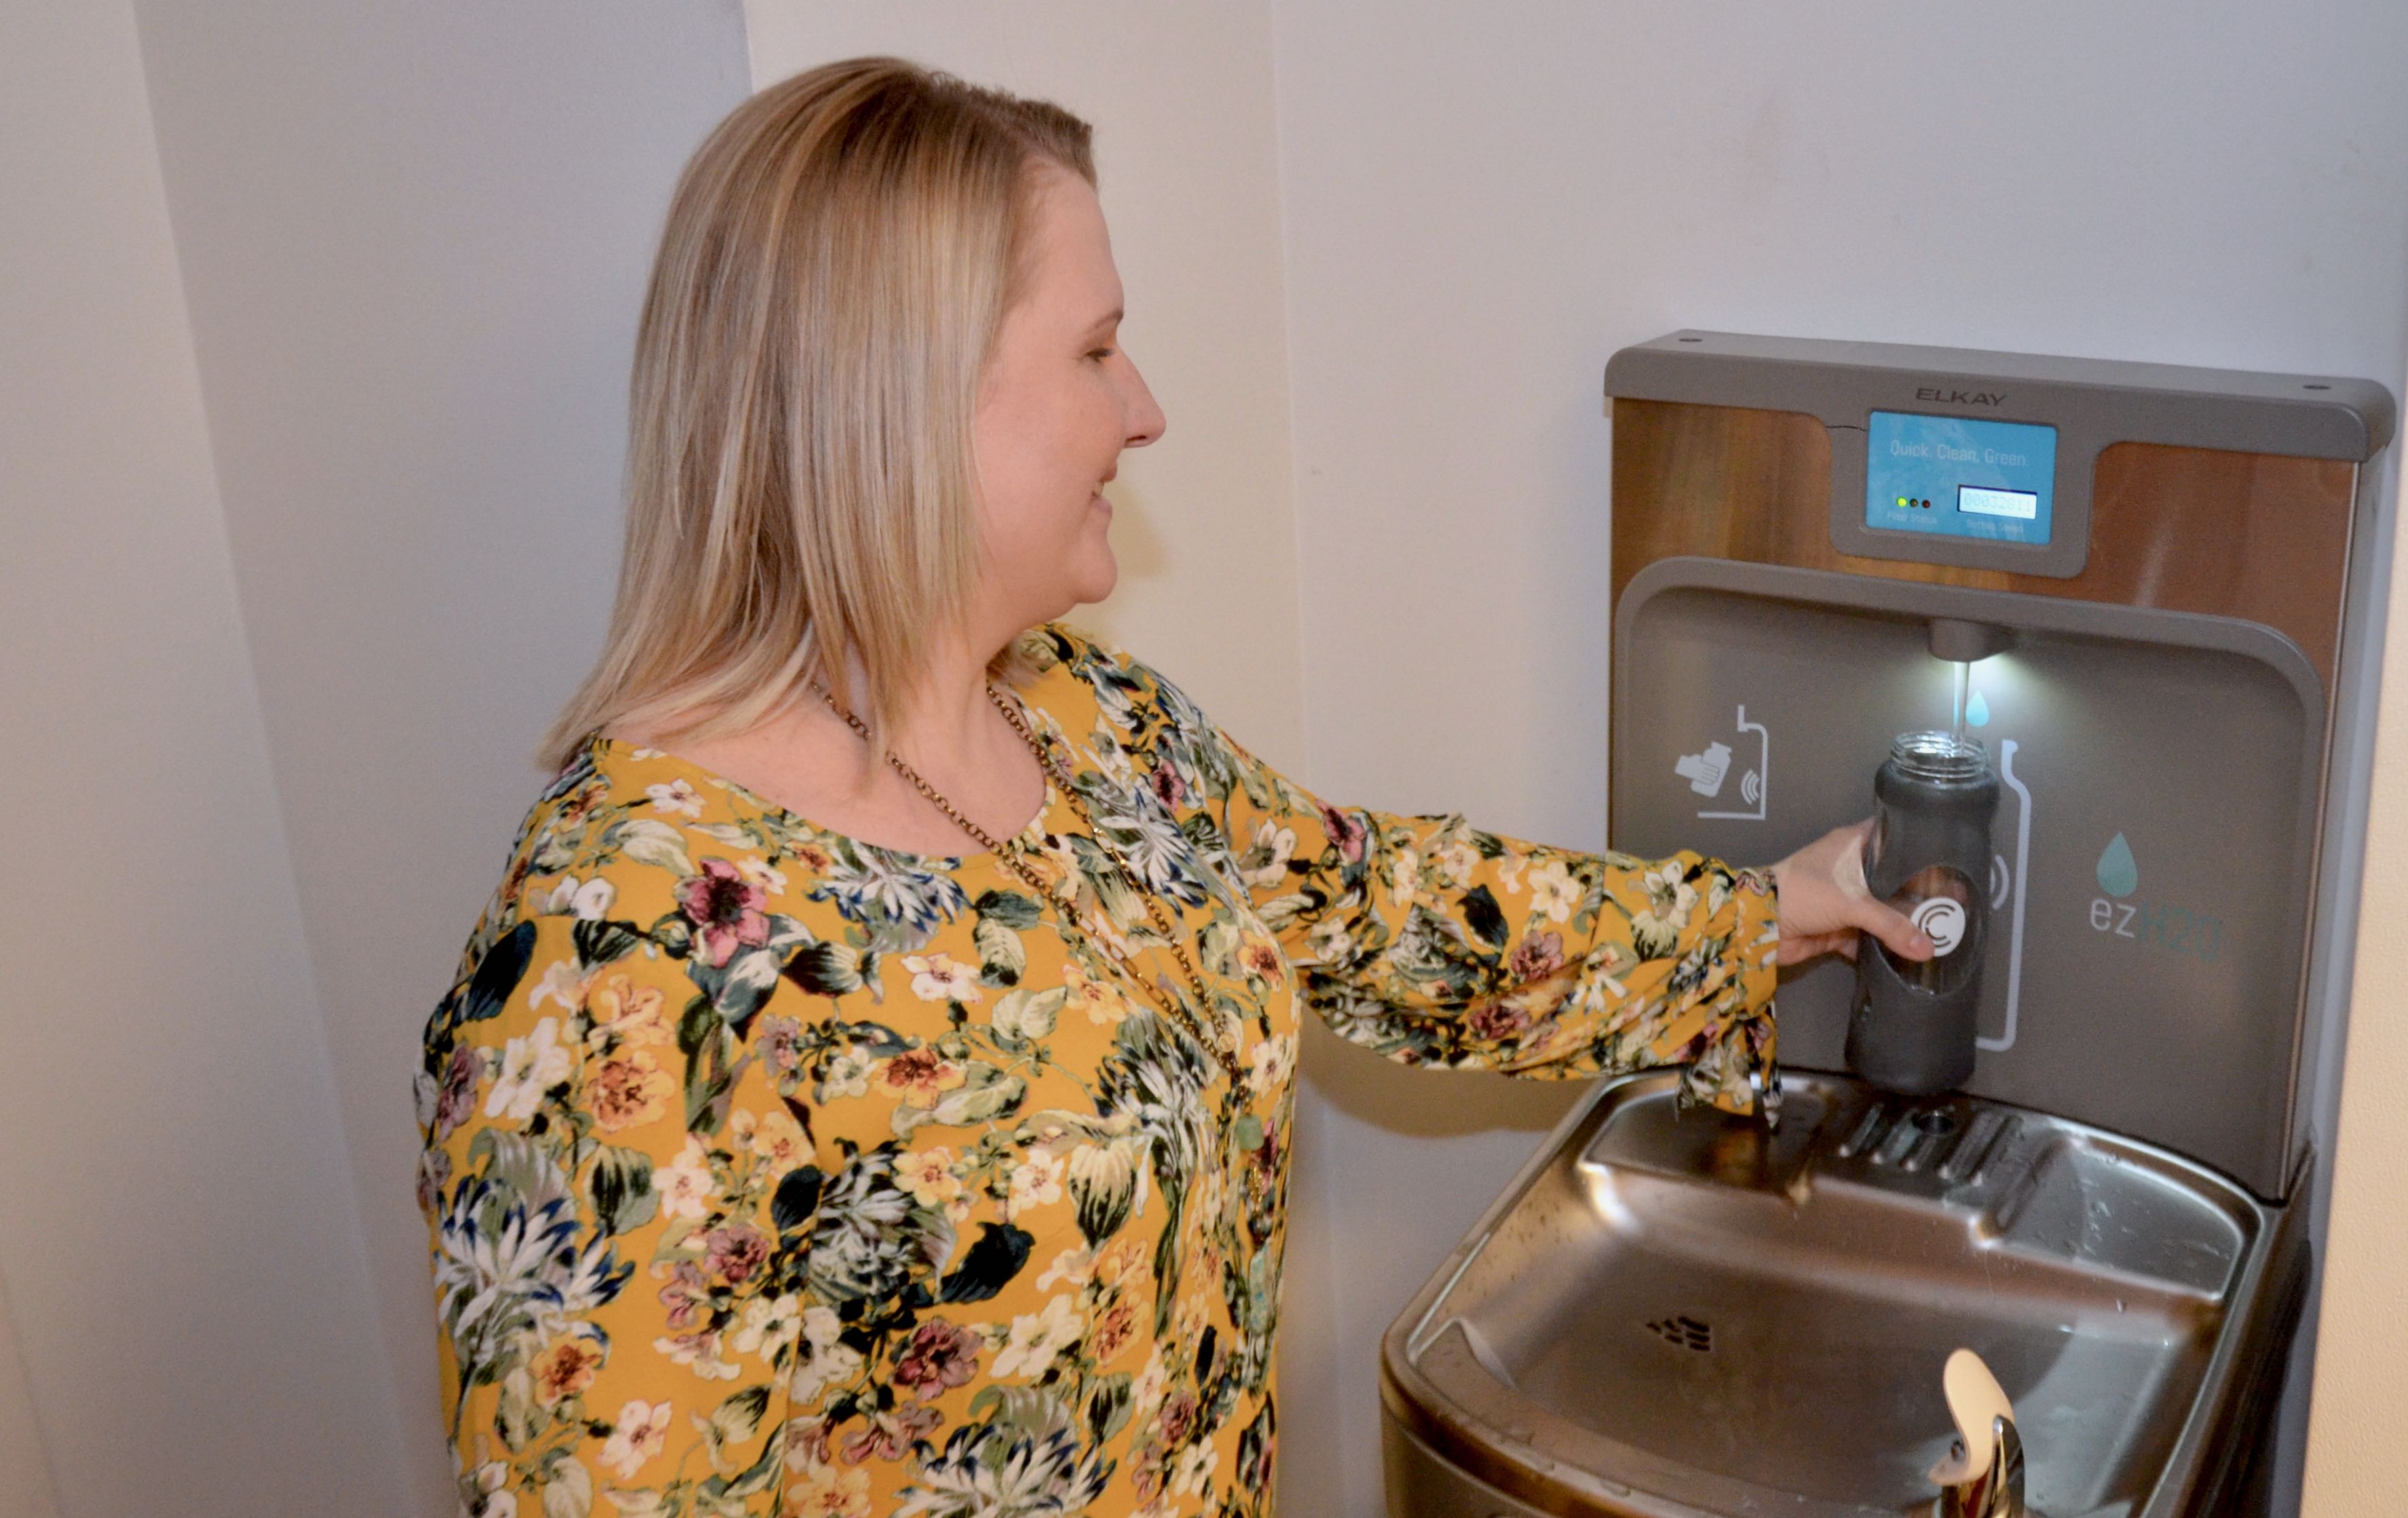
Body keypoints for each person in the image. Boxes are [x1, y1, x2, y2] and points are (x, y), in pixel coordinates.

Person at [415, 58, 1929, 1518]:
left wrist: (1763, 917)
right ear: (902, 393)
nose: (1143, 411)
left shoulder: (1081, 716)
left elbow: (1379, 913)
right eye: (1092, 350)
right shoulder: (611, 964)